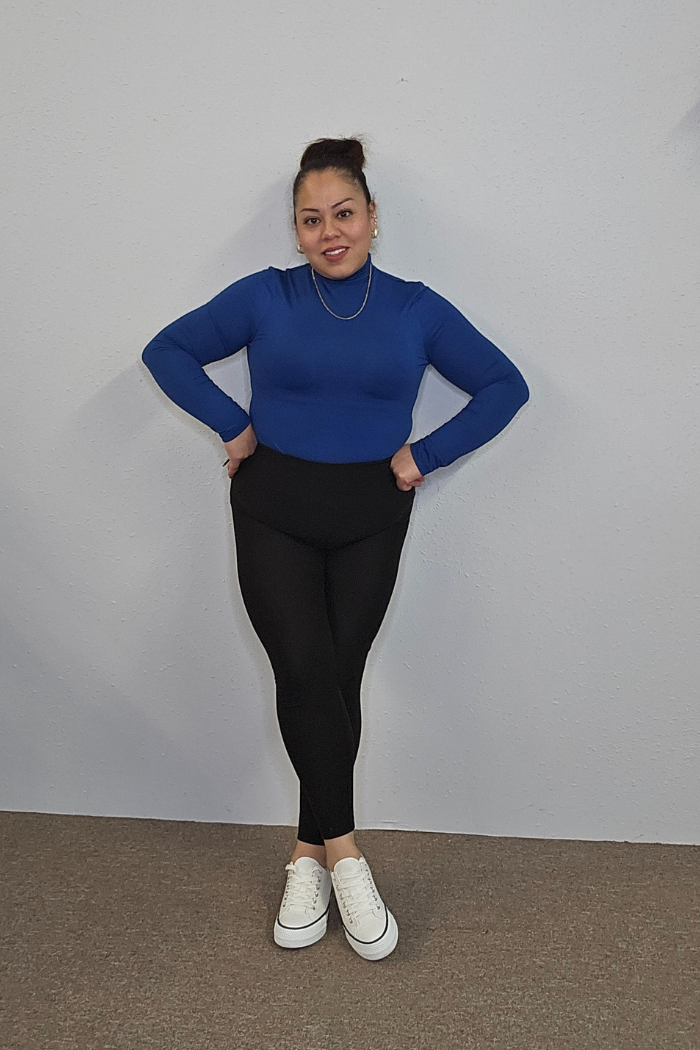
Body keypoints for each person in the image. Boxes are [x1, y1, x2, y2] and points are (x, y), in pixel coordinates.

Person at [141, 136, 529, 962]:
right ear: (295, 229)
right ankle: (346, 853)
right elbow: (166, 352)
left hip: (370, 516)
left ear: (373, 217)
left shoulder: (417, 309)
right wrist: (235, 426)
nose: (329, 232)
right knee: (306, 671)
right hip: (273, 508)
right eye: (311, 219)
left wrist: (426, 454)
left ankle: (305, 854)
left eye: (343, 214)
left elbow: (506, 385)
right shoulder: (267, 297)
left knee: (336, 678)